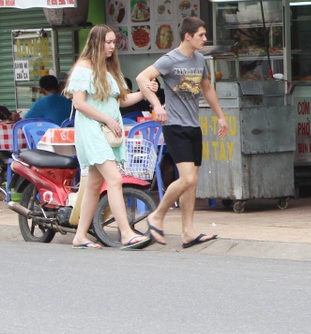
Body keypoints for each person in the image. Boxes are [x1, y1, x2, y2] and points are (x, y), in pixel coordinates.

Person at [138, 17, 228, 249]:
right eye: (201, 35)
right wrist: (156, 106)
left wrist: (220, 116)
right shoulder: (170, 59)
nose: (204, 39)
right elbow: (142, 77)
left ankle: (187, 231)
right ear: (187, 36)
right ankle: (156, 216)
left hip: (193, 126)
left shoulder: (200, 60)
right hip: (174, 126)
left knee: (192, 182)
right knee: (187, 178)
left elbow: (207, 87)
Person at [65, 25, 155, 249]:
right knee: (114, 179)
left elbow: (121, 101)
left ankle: (80, 235)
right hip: (92, 129)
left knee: (94, 186)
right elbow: (79, 103)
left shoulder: (109, 69)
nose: (112, 47)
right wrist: (108, 120)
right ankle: (125, 233)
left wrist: (145, 91)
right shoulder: (84, 67)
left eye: (114, 42)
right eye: (108, 42)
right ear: (96, 42)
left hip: (106, 131)